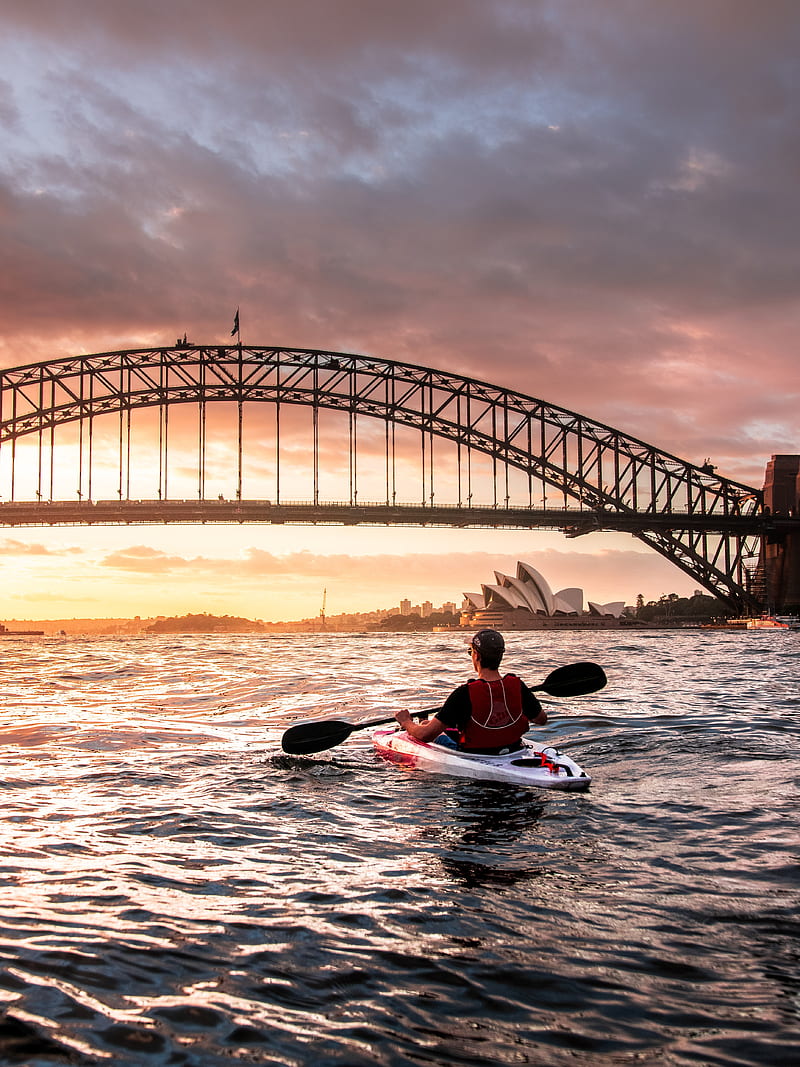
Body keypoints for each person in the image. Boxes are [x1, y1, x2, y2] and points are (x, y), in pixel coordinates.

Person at [395, 629, 547, 754]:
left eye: (470, 651)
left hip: (474, 754)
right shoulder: (518, 686)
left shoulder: (464, 693)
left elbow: (425, 735)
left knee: (426, 730)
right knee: (427, 723)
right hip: (513, 749)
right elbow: (541, 720)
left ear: (477, 655)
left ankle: (419, 724)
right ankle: (424, 722)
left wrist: (406, 721)